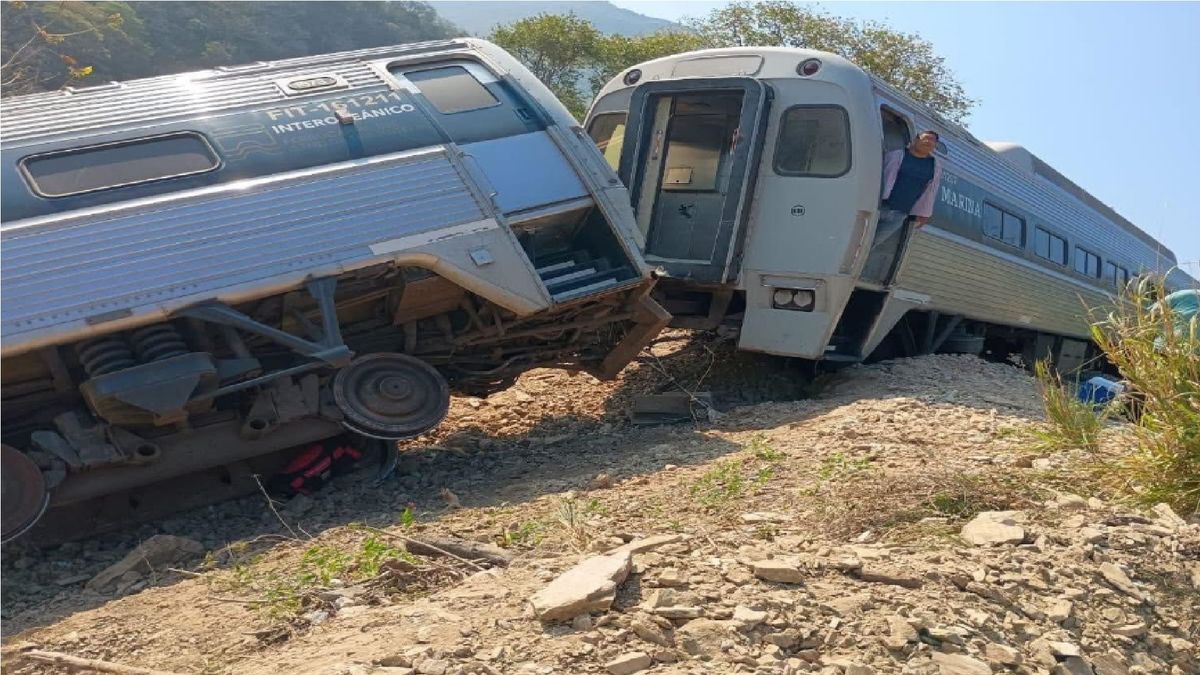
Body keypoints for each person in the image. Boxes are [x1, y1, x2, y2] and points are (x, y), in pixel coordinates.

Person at [861, 130, 944, 283]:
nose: (928, 142)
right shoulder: (897, 155)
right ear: (916, 139)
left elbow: (931, 190)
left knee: (872, 244)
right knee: (859, 238)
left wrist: (925, 213)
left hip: (900, 213)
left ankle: (855, 271)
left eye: (932, 141)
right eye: (925, 139)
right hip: (879, 205)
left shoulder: (934, 166)